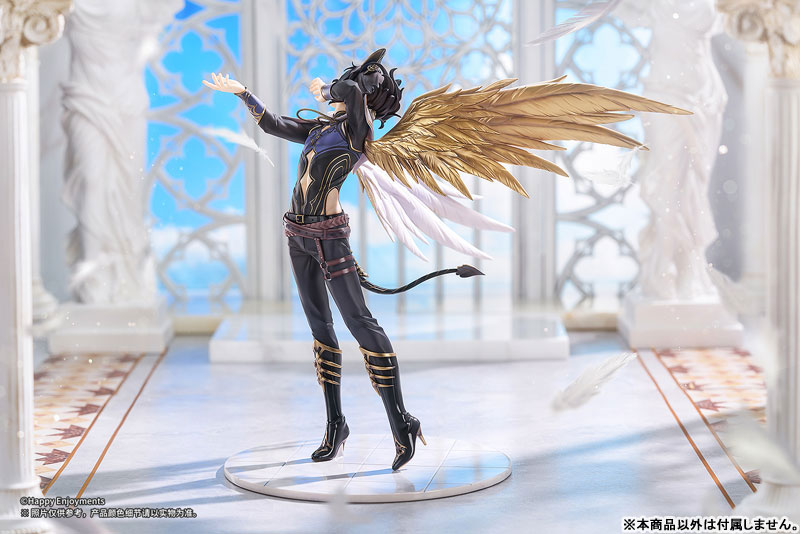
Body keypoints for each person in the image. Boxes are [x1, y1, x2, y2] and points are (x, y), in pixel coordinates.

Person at [203, 49, 426, 471]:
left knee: (360, 323)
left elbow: (350, 93)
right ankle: (335, 425)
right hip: (297, 235)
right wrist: (243, 93)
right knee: (320, 328)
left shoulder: (358, 132)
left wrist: (326, 89)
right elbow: (273, 123)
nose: (342, 90)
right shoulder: (322, 129)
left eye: (354, 84)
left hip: (330, 238)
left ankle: (402, 421)